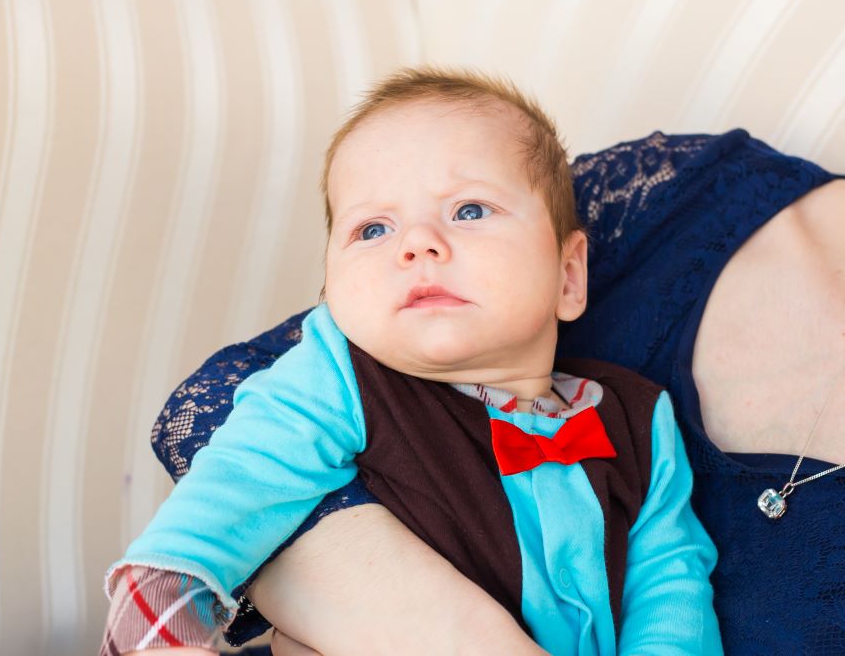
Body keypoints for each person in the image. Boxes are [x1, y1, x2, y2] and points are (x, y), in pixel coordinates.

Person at [150, 123, 845, 652]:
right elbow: (241, 476)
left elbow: (667, 580)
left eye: (470, 211)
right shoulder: (338, 372)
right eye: (371, 228)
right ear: (332, 291)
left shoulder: (636, 415)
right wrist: (165, 602)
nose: (416, 243)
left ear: (570, 277)